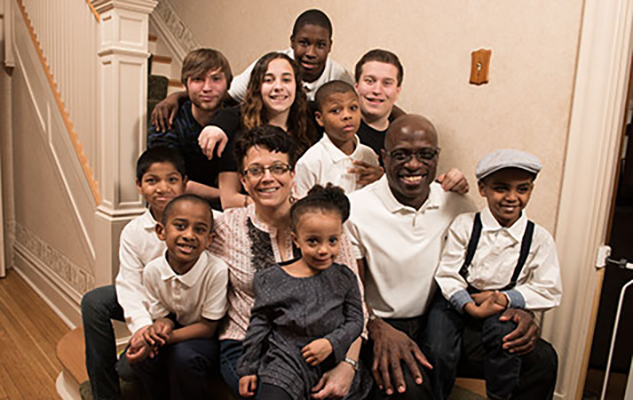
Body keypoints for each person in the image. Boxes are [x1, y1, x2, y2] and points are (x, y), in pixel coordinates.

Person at [345, 114, 558, 399]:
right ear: (383, 158)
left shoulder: (455, 202)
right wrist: (375, 326)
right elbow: (349, 288)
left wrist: (518, 308)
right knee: (411, 391)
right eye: (401, 155)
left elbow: (488, 268)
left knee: (540, 358)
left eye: (425, 154)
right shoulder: (356, 208)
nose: (413, 164)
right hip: (387, 324)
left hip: (446, 317)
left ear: (437, 157)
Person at [209, 125, 367, 399]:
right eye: (255, 170)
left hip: (323, 343)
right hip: (248, 345)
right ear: (244, 181)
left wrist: (348, 365)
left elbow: (356, 305)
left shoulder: (323, 220)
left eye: (278, 168)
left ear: (293, 174)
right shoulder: (224, 228)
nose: (267, 178)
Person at [428, 149, 562, 400]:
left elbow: (549, 289)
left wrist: (505, 299)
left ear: (531, 189)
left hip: (503, 305)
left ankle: (499, 396)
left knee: (506, 340)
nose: (512, 198)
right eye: (501, 188)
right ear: (482, 189)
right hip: (456, 300)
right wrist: (469, 306)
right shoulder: (465, 225)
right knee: (438, 348)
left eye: (522, 189)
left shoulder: (539, 238)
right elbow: (447, 273)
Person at [237, 184, 371, 400]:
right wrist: (248, 368)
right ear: (296, 239)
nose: (323, 250)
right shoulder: (271, 279)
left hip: (332, 360)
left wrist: (331, 342)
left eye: (332, 241)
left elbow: (356, 320)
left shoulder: (346, 278)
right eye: (312, 241)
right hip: (285, 362)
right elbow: (259, 325)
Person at [80, 147, 186, 400]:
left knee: (128, 369)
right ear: (139, 186)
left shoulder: (205, 220)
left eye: (172, 180)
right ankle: (105, 394)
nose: (162, 188)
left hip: (186, 307)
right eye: (152, 181)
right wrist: (142, 329)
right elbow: (129, 285)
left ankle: (129, 367)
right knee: (94, 302)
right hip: (151, 304)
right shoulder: (134, 232)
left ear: (185, 182)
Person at [150, 9, 352, 131]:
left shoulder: (340, 77)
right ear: (292, 42)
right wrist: (177, 97)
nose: (311, 52)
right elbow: (225, 97)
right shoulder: (269, 65)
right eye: (304, 43)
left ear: (330, 46)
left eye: (320, 45)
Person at [126, 194, 229, 400]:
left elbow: (208, 327)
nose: (189, 235)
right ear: (161, 231)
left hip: (205, 338)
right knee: (141, 355)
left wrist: (165, 339)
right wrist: (156, 332)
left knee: (183, 356)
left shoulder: (216, 271)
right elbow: (163, 315)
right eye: (180, 226)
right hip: (177, 328)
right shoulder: (152, 271)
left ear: (209, 239)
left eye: (199, 230)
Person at [204, 52, 316, 209]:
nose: (278, 87)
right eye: (269, 80)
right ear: (258, 87)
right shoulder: (238, 132)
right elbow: (229, 199)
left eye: (286, 80)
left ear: (297, 86)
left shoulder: (310, 126)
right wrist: (282, 205)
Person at [147, 48, 233, 209]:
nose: (207, 87)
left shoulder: (237, 116)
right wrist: (232, 197)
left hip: (229, 209)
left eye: (216, 79)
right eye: (198, 79)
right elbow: (169, 181)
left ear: (228, 83)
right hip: (177, 206)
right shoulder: (167, 120)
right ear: (185, 84)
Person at [294, 81, 381, 197]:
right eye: (335, 110)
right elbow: (302, 209)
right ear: (320, 118)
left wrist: (381, 182)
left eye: (353, 108)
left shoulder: (368, 154)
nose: (347, 115)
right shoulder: (310, 162)